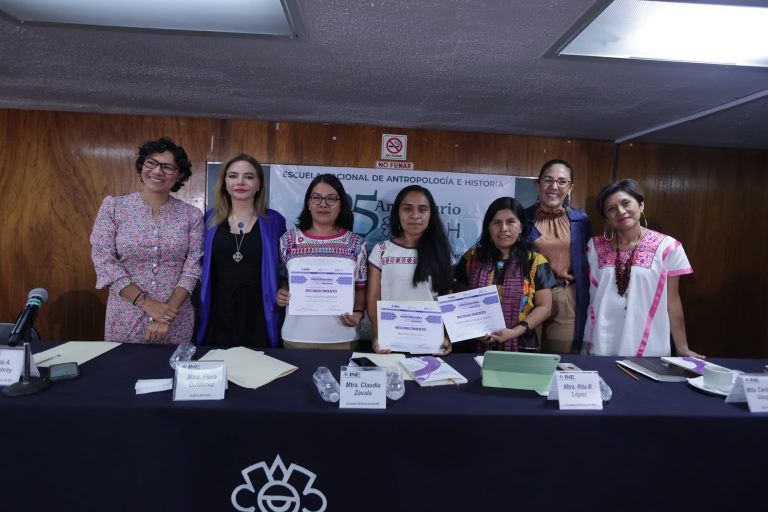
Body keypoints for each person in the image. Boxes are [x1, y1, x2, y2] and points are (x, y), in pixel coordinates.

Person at [90, 137, 203, 344]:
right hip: (126, 313)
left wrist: (166, 315)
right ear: (142, 165)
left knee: (171, 373)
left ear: (179, 175)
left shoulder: (191, 215)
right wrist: (146, 303)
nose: (158, 171)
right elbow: (104, 262)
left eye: (168, 167)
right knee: (122, 372)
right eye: (151, 163)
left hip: (175, 318)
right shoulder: (114, 207)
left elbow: (193, 268)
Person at [584, 179, 703, 358]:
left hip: (648, 343)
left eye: (626, 203)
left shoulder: (667, 247)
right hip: (601, 339)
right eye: (611, 208)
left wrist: (683, 348)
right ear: (606, 217)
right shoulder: (594, 246)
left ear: (641, 205)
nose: (621, 211)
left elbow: (672, 301)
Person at [196, 153, 286, 348]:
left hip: (260, 309)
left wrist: (285, 289)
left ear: (259, 184)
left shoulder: (275, 221)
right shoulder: (208, 219)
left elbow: (284, 267)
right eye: (233, 176)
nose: (240, 182)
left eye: (249, 176)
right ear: (225, 183)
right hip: (217, 309)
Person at [276, 174, 367, 349]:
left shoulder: (355, 243)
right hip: (296, 336)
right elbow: (283, 279)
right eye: (316, 198)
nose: (323, 204)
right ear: (308, 203)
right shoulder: (288, 240)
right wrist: (281, 293)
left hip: (343, 338)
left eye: (331, 198)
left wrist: (358, 313)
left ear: (341, 205)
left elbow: (361, 287)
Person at [455, 197, 554, 352]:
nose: (503, 228)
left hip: (520, 342)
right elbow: (460, 301)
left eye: (510, 222)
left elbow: (545, 307)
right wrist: (475, 329)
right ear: (488, 227)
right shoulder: (472, 257)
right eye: (496, 222)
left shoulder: (535, 261)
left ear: (521, 226)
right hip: (475, 342)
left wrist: (514, 332)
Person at [367, 185, 453, 354]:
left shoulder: (443, 254)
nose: (415, 215)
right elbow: (373, 299)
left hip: (431, 343)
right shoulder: (382, 250)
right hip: (390, 343)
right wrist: (379, 335)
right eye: (407, 209)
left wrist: (445, 336)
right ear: (397, 213)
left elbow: (447, 300)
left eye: (422, 209)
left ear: (430, 215)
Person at [525, 159, 592, 354]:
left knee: (561, 359)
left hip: (566, 296)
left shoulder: (581, 221)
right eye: (548, 180)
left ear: (570, 187)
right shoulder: (521, 217)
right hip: (529, 296)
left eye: (562, 181)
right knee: (526, 355)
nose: (554, 186)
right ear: (538, 184)